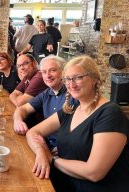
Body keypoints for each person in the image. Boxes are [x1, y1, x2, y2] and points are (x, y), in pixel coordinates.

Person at [26, 55, 129, 192]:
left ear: (94, 79)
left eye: (78, 77)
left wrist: (52, 159)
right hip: (63, 182)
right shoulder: (72, 107)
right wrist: (40, 152)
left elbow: (94, 173)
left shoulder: (110, 114)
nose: (71, 84)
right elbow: (33, 132)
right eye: (68, 79)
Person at [13, 55, 78, 150]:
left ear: (63, 72)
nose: (47, 75)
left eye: (52, 70)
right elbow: (23, 108)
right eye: (44, 72)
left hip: (63, 152)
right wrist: (18, 120)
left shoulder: (74, 95)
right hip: (44, 145)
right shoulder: (46, 93)